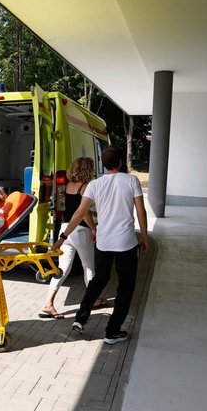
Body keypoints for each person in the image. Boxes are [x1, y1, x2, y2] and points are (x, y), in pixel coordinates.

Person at [52, 145, 148, 345]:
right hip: (126, 243)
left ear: (104, 165)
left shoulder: (95, 184)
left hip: (103, 242)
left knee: (98, 280)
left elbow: (79, 213)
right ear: (121, 162)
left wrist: (62, 237)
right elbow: (141, 211)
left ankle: (80, 318)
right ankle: (112, 332)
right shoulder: (131, 181)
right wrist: (144, 237)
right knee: (125, 287)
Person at [39, 157, 106, 319]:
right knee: (89, 267)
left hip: (65, 229)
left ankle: (48, 303)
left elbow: (65, 207)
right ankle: (94, 300)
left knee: (63, 269)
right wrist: (94, 228)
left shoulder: (68, 185)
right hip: (80, 231)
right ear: (88, 170)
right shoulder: (86, 186)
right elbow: (84, 213)